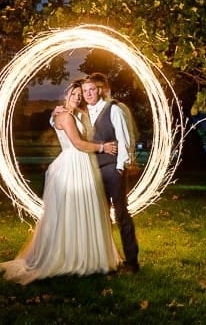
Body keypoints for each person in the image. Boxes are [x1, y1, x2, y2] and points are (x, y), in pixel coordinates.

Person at [0, 81, 121, 284]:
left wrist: (52, 115)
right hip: (74, 164)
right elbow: (78, 143)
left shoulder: (64, 114)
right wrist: (103, 147)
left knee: (74, 211)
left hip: (78, 163)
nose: (78, 97)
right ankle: (73, 257)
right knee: (72, 211)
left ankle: (80, 253)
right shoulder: (65, 115)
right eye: (75, 93)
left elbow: (56, 124)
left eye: (80, 94)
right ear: (67, 94)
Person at [80, 72, 140, 273]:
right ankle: (105, 261)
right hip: (93, 171)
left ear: (98, 90)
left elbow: (123, 139)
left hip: (112, 169)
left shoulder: (113, 109)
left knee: (121, 213)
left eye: (91, 90)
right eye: (85, 91)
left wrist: (120, 167)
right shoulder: (83, 113)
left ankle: (132, 261)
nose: (88, 94)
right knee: (100, 216)